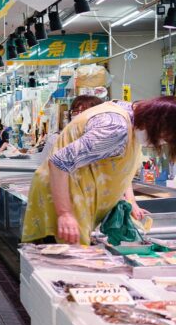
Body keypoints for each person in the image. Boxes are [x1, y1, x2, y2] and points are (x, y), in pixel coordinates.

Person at [22, 97, 176, 245]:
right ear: (158, 123)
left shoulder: (131, 117)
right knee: (65, 258)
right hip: (63, 197)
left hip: (78, 196)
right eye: (166, 137)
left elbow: (122, 167)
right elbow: (58, 162)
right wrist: (65, 213)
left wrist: (130, 201)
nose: (162, 142)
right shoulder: (115, 128)